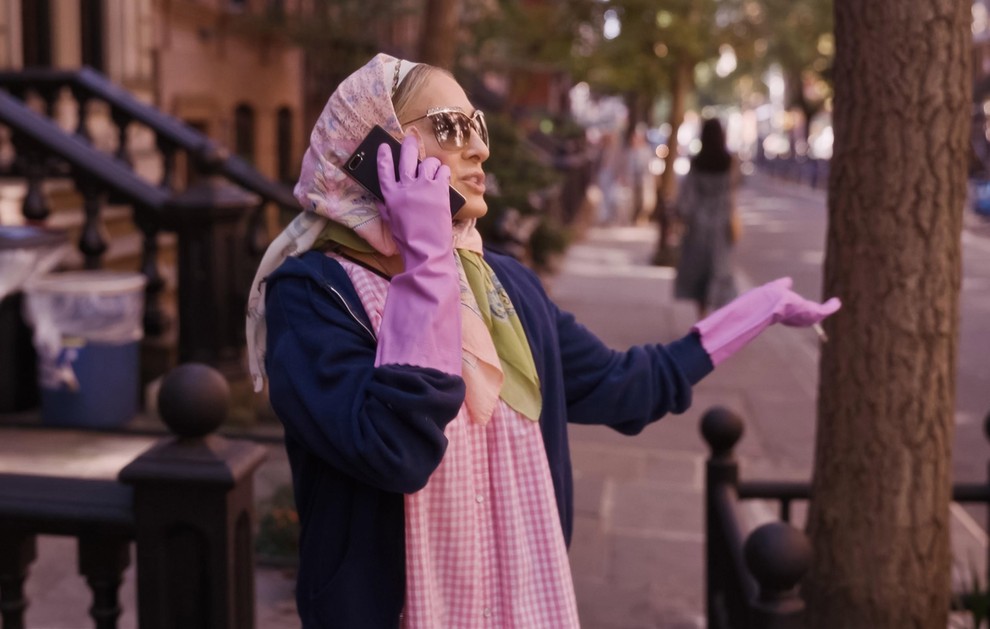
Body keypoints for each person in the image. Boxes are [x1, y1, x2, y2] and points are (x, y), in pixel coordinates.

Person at [245, 54, 840, 629]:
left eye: (478, 126)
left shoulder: (507, 288)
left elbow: (626, 386)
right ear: (372, 156)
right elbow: (393, 449)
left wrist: (749, 315)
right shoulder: (312, 297)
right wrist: (425, 263)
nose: (480, 147)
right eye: (451, 128)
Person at [674, 117, 740, 318]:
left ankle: (702, 317)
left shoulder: (696, 162)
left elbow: (687, 199)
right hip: (722, 225)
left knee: (699, 274)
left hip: (698, 227)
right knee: (720, 271)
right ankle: (717, 319)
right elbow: (733, 194)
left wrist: (681, 216)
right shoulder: (731, 162)